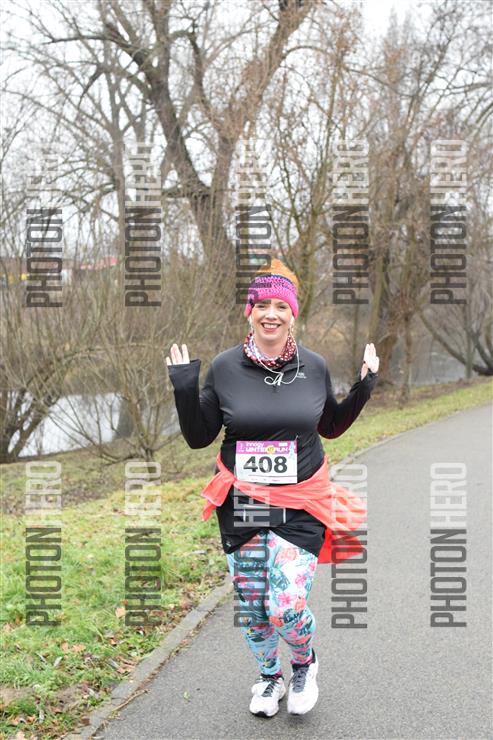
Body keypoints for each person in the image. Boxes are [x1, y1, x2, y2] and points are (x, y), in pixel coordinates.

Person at [165, 258, 379, 719]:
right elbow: (199, 436)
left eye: (281, 306)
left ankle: (303, 664)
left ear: (292, 314)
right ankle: (269, 676)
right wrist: (184, 387)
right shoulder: (225, 367)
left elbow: (331, 425)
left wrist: (364, 387)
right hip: (242, 502)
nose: (271, 314)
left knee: (285, 605)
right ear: (250, 312)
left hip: (300, 501)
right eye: (262, 304)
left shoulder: (314, 366)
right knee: (253, 606)